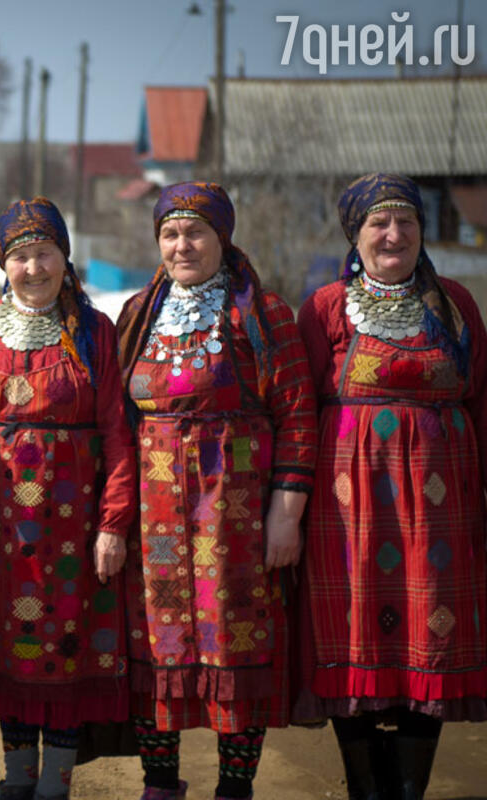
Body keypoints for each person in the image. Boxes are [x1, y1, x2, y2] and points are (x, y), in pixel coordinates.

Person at [116, 182, 317, 800]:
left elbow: (299, 416)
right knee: (155, 640)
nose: (182, 246)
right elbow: (116, 420)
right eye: (170, 235)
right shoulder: (137, 313)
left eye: (195, 232)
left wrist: (285, 514)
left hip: (234, 514)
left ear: (222, 238)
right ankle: (160, 785)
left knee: (238, 638)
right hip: (153, 518)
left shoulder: (262, 313)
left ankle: (234, 787)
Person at [294, 173, 487, 800]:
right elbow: (298, 410)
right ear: (356, 234)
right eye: (380, 223)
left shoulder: (456, 305)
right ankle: (364, 791)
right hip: (347, 511)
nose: (394, 234)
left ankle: (407, 791)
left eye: (407, 222)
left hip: (441, 513)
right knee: (352, 636)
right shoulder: (324, 308)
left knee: (427, 636)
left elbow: (482, 401)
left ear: (422, 232)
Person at [0, 197, 136, 800]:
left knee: (67, 647)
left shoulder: (95, 329)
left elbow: (117, 433)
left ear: (64, 256)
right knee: (7, 645)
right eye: (20, 256)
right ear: (4, 262)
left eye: (45, 252)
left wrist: (113, 524)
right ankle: (17, 775)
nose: (34, 267)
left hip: (72, 524)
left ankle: (56, 781)